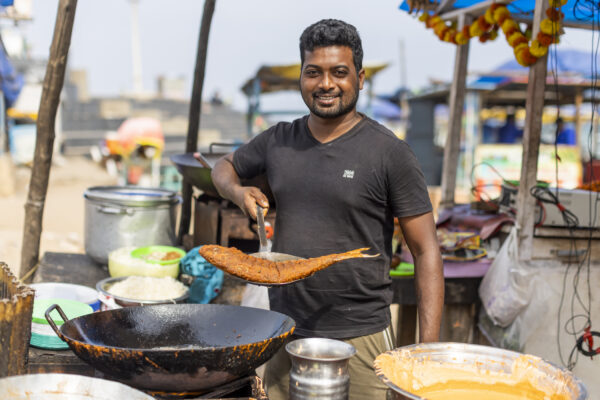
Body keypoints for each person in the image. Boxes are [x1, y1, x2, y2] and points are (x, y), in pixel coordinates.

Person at [211, 19, 443, 400]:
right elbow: (222, 166)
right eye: (313, 72)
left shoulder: (390, 153)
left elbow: (426, 250)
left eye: (339, 72)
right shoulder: (279, 140)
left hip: (363, 338)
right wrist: (238, 191)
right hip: (286, 333)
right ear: (301, 77)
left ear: (360, 78)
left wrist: (427, 350)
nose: (326, 84)